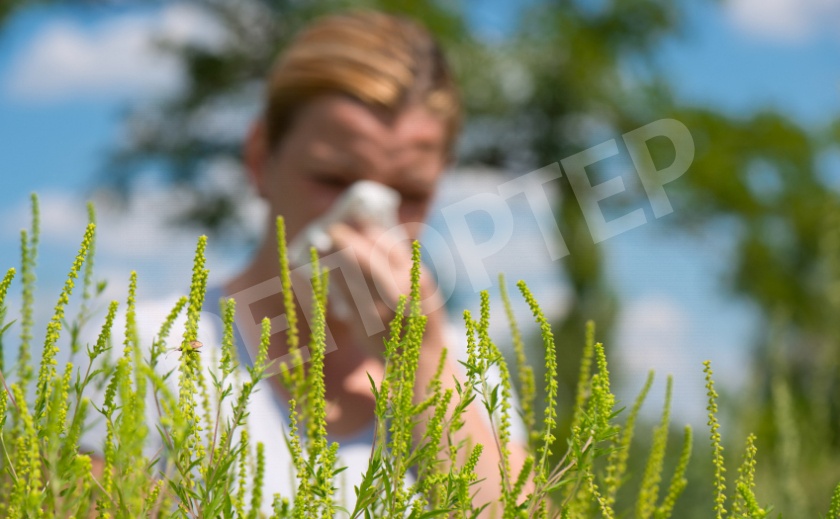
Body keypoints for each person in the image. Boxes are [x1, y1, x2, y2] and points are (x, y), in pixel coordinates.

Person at [88, 9, 529, 516]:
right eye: (332, 180)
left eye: (409, 192)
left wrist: (423, 367)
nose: (369, 219)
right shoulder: (153, 350)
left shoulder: (466, 368)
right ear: (260, 159)